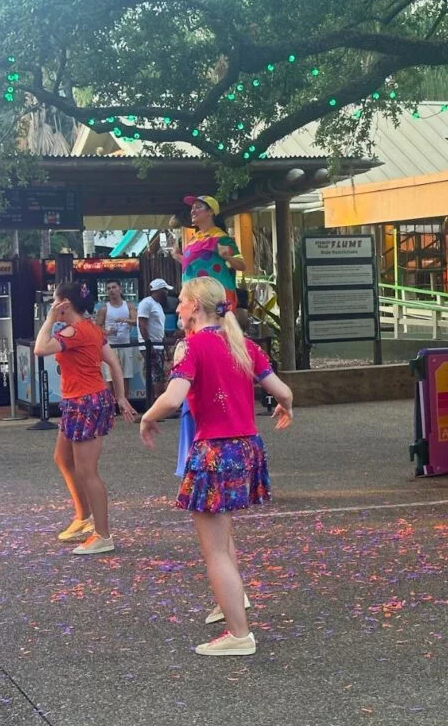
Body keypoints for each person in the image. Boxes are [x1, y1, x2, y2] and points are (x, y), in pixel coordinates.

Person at [139, 276, 293, 656]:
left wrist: (147, 417)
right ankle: (232, 604)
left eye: (181, 302)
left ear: (195, 305)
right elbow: (284, 391)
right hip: (246, 448)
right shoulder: (244, 345)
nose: (176, 308)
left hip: (213, 452)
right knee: (224, 540)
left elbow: (174, 399)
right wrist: (285, 407)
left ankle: (239, 635)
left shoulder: (190, 347)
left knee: (216, 550)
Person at [33, 281, 138, 555]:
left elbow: (40, 349)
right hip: (82, 401)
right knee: (63, 458)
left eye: (55, 301)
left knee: (87, 471)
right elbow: (113, 363)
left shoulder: (73, 331)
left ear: (64, 305)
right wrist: (120, 397)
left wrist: (48, 319)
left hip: (84, 403)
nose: (53, 305)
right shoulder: (91, 329)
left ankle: (103, 534)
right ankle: (84, 517)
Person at [168, 195, 246, 309]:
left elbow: (242, 265)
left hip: (214, 299)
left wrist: (228, 257)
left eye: (198, 207)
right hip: (193, 298)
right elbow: (197, 265)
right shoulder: (194, 239)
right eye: (192, 208)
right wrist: (179, 257)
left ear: (210, 212)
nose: (193, 211)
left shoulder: (221, 238)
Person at [95, 279, 137, 398]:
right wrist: (107, 332)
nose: (111, 291)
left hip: (126, 345)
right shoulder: (104, 309)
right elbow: (96, 328)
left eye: (114, 287)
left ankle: (125, 405)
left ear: (120, 289)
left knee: (126, 376)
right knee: (110, 377)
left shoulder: (129, 306)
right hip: (110, 347)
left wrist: (126, 320)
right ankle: (112, 407)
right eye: (109, 288)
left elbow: (136, 321)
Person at [137, 278, 172, 400]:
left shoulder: (157, 305)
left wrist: (165, 347)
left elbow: (159, 328)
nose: (167, 293)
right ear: (159, 291)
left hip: (158, 344)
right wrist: (148, 344)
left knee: (158, 375)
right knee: (156, 375)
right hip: (151, 345)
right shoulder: (146, 303)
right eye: (165, 290)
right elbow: (142, 324)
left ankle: (157, 403)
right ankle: (157, 403)